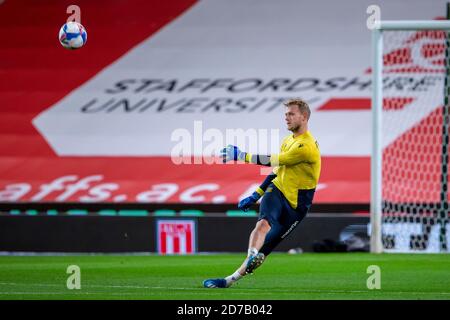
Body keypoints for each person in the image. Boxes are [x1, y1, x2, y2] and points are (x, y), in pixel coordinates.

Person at [203, 98, 321, 288]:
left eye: (291, 114)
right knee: (263, 224)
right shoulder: (288, 140)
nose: (287, 118)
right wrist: (256, 194)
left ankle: (230, 280)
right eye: (286, 114)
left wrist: (242, 156)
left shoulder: (305, 147)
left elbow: (273, 160)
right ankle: (250, 256)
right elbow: (277, 170)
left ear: (304, 117)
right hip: (278, 190)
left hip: (298, 206)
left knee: (266, 248)